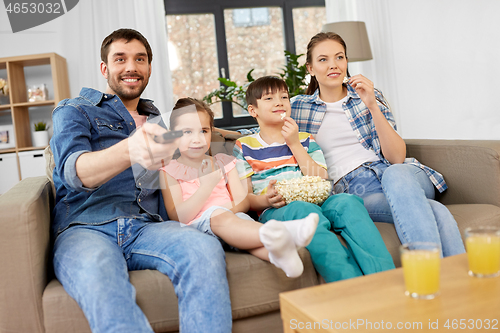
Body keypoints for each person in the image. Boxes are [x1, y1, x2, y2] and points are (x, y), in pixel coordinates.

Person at [50, 29, 232, 332]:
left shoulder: (157, 120)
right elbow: (74, 171)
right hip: (86, 228)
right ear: (104, 69)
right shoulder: (75, 109)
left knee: (203, 249)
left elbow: (192, 152)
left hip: (147, 227)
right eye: (120, 59)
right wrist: (129, 149)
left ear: (148, 68)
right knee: (99, 275)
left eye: (140, 59)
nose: (131, 66)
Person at [290, 32, 465, 256]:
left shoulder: (368, 95)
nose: (333, 65)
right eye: (323, 59)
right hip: (357, 190)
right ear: (310, 68)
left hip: (400, 175)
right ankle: (455, 284)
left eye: (339, 57)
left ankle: (426, 278)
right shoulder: (297, 107)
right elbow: (261, 131)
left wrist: (372, 105)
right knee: (437, 211)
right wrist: (229, 135)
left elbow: (396, 158)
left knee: (396, 173)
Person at [233, 76, 395, 283]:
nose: (279, 102)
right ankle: (348, 284)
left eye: (284, 97)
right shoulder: (244, 146)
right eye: (269, 98)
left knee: (348, 202)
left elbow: (320, 177)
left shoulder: (304, 139)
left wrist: (294, 144)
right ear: (253, 110)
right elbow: (245, 197)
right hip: (276, 209)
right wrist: (266, 200)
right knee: (304, 210)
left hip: (319, 201)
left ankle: (386, 280)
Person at [160, 97, 319, 278]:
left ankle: (281, 258)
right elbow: (178, 216)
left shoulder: (224, 163)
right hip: (197, 227)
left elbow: (242, 203)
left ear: (210, 131)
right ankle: (285, 232)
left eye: (203, 131)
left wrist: (225, 212)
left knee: (243, 224)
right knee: (218, 217)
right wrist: (206, 188)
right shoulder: (169, 170)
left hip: (233, 220)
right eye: (187, 132)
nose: (197, 139)